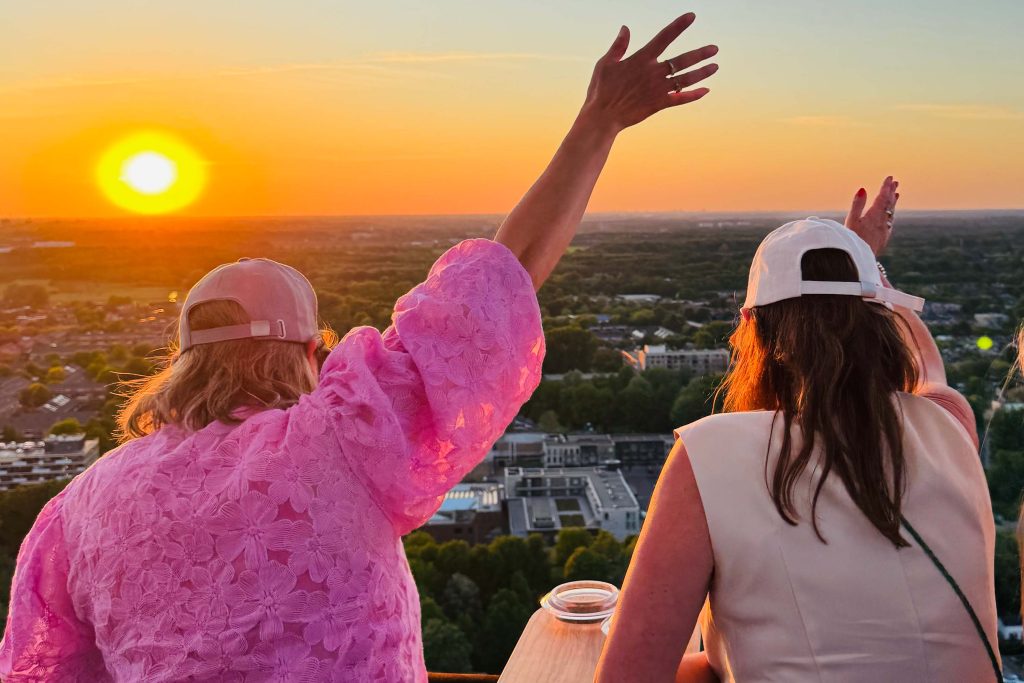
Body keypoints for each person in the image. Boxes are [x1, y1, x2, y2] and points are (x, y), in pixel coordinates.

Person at [0, 13, 719, 683]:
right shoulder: (336, 437)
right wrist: (596, 125)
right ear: (313, 353)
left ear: (184, 361)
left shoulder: (79, 508)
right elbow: (502, 279)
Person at [597, 178, 1000, 682]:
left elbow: (627, 678)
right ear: (883, 322)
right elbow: (926, 367)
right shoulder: (951, 427)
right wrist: (865, 270)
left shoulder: (711, 455)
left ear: (749, 327)